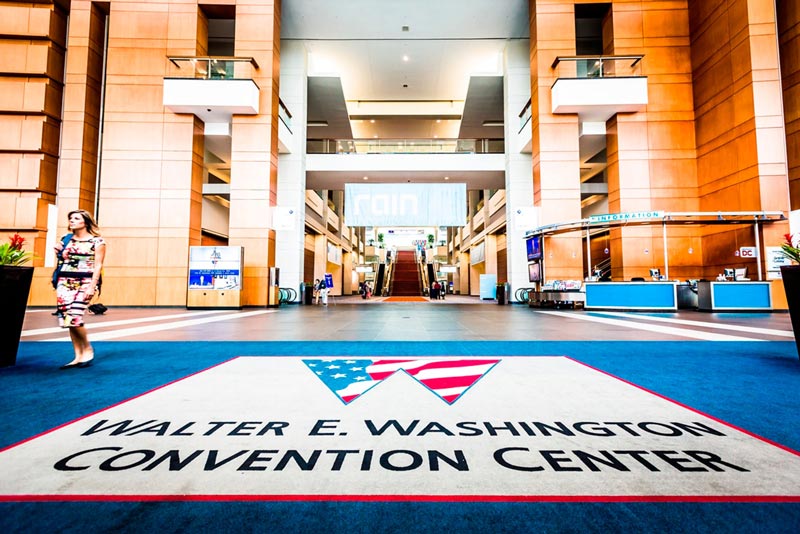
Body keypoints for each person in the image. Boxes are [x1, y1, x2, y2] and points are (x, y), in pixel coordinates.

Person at [54, 209, 106, 369]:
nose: (72, 221)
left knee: (74, 317)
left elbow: (98, 265)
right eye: (70, 218)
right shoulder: (66, 239)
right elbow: (64, 260)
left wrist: (92, 286)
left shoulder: (98, 242)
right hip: (64, 281)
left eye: (76, 218)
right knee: (67, 319)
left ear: (86, 222)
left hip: (85, 281)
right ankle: (77, 355)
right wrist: (58, 251)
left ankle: (88, 348)